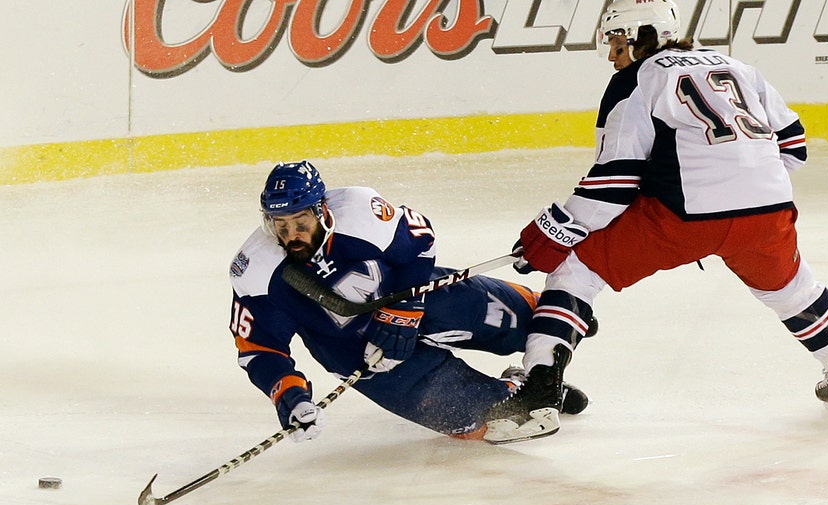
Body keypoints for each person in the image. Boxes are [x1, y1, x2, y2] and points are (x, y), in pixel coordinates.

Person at [486, 0, 828, 432]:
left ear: (642, 38)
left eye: (617, 41)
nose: (612, 54)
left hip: (681, 218)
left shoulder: (637, 80)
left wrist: (553, 231)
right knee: (791, 289)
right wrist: (742, 184)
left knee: (576, 268)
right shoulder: (740, 67)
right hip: (768, 210)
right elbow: (794, 146)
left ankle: (539, 389)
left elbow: (613, 183)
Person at [228, 160, 590, 443]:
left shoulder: (358, 210)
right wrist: (290, 397)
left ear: (322, 209)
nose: (291, 235)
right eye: (280, 224)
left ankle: (536, 334)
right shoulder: (256, 272)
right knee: (496, 423)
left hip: (414, 298)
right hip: (359, 356)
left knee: (546, 320)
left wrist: (400, 312)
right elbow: (260, 348)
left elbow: (419, 241)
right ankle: (525, 387)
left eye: (300, 221)